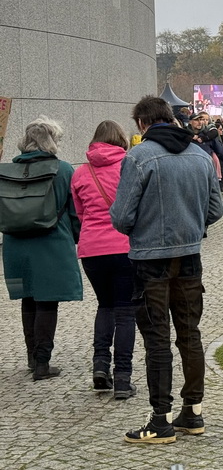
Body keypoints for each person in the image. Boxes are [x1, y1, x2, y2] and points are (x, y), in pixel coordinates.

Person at [111, 96, 223, 444]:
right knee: (190, 333)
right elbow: (216, 210)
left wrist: (142, 229)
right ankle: (193, 412)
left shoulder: (140, 156)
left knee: (157, 338)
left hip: (150, 259)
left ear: (143, 123)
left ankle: (160, 419)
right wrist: (191, 226)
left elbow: (121, 215)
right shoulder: (200, 155)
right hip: (189, 256)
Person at [2, 116, 83, 381]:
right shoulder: (63, 170)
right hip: (52, 243)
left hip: (15, 245)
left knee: (28, 298)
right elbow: (74, 213)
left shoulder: (7, 172)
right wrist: (75, 238)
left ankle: (32, 356)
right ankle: (42, 363)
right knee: (48, 301)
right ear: (51, 141)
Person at [70, 120, 137, 398]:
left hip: (91, 250)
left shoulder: (80, 173)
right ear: (121, 139)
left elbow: (80, 213)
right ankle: (122, 377)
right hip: (124, 246)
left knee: (105, 306)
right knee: (125, 312)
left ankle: (100, 366)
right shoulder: (130, 166)